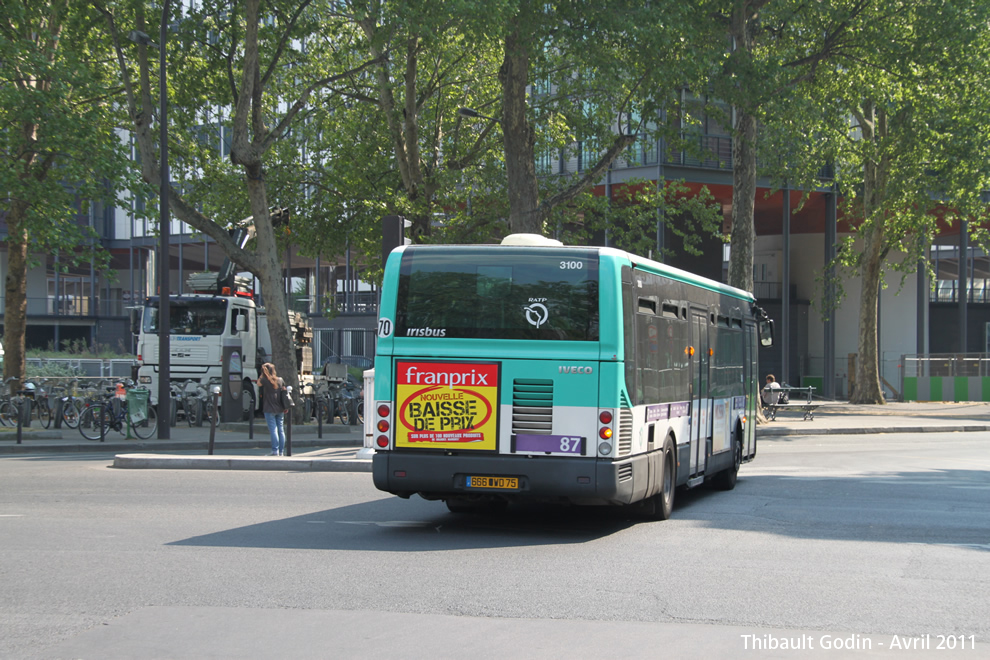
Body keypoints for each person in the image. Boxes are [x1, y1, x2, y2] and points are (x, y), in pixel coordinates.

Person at [257, 362, 288, 456]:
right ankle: (281, 451)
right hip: (280, 408)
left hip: (269, 408)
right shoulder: (280, 380)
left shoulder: (264, 380)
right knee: (281, 430)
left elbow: (258, 384)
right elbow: (284, 392)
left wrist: (263, 374)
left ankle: (275, 451)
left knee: (273, 430)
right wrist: (285, 406)